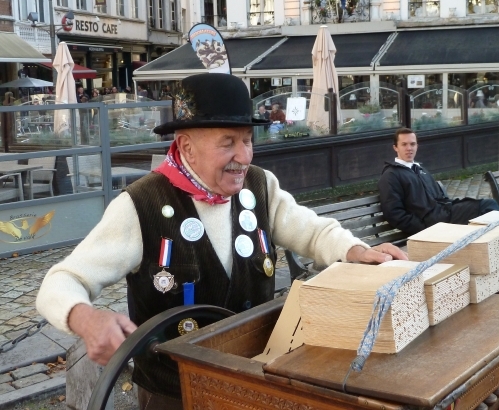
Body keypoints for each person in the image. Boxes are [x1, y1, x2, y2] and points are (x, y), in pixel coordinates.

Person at [36, 73, 407, 409]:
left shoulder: (261, 185)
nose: (243, 157)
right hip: (174, 395)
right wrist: (85, 318)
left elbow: (313, 230)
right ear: (186, 147)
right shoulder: (140, 204)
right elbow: (59, 282)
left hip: (254, 381)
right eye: (228, 142)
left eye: (247, 140)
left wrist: (355, 250)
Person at [378, 127, 499, 236]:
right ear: (395, 147)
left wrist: (456, 205)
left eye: (412, 144)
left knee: (488, 206)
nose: (409, 148)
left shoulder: (420, 169)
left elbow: (440, 198)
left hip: (445, 212)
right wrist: (422, 228)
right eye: (404, 144)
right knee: (487, 206)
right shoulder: (391, 175)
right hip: (431, 223)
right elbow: (393, 213)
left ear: (417, 146)